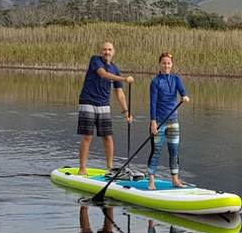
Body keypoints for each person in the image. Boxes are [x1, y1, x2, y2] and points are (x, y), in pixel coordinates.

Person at [77, 41, 134, 176]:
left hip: (104, 104)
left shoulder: (115, 68)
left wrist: (126, 112)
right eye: (104, 50)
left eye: (109, 50)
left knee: (107, 137)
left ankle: (110, 168)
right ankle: (82, 168)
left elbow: (119, 93)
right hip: (88, 100)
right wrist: (124, 78)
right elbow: (103, 74)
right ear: (101, 51)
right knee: (87, 136)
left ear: (113, 52)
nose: (107, 52)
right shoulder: (95, 60)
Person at [146, 52, 190, 189]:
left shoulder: (176, 79)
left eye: (168, 63)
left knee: (174, 151)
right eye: (164, 63)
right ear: (160, 64)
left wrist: (185, 97)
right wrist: (153, 122)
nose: (166, 65)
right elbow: (153, 103)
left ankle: (175, 180)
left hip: (173, 121)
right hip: (159, 122)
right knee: (156, 151)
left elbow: (183, 91)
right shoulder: (155, 82)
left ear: (172, 65)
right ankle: (151, 181)